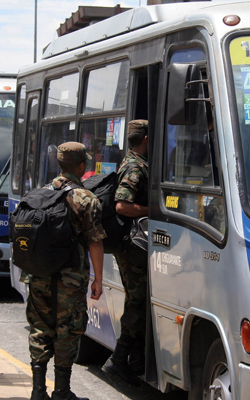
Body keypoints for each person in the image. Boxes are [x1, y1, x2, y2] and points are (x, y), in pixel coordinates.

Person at [27, 142, 105, 400]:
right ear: (82, 166)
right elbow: (95, 241)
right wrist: (98, 279)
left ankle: (38, 391)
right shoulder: (86, 199)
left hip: (39, 274)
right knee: (68, 329)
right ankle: (61, 391)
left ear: (59, 164)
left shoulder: (40, 193)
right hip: (70, 279)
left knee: (40, 327)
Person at [102, 120, 149, 386]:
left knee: (138, 301)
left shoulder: (137, 161)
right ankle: (117, 361)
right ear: (146, 138)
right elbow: (122, 206)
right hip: (133, 246)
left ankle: (135, 361)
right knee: (137, 303)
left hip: (137, 244)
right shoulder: (134, 167)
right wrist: (151, 209)